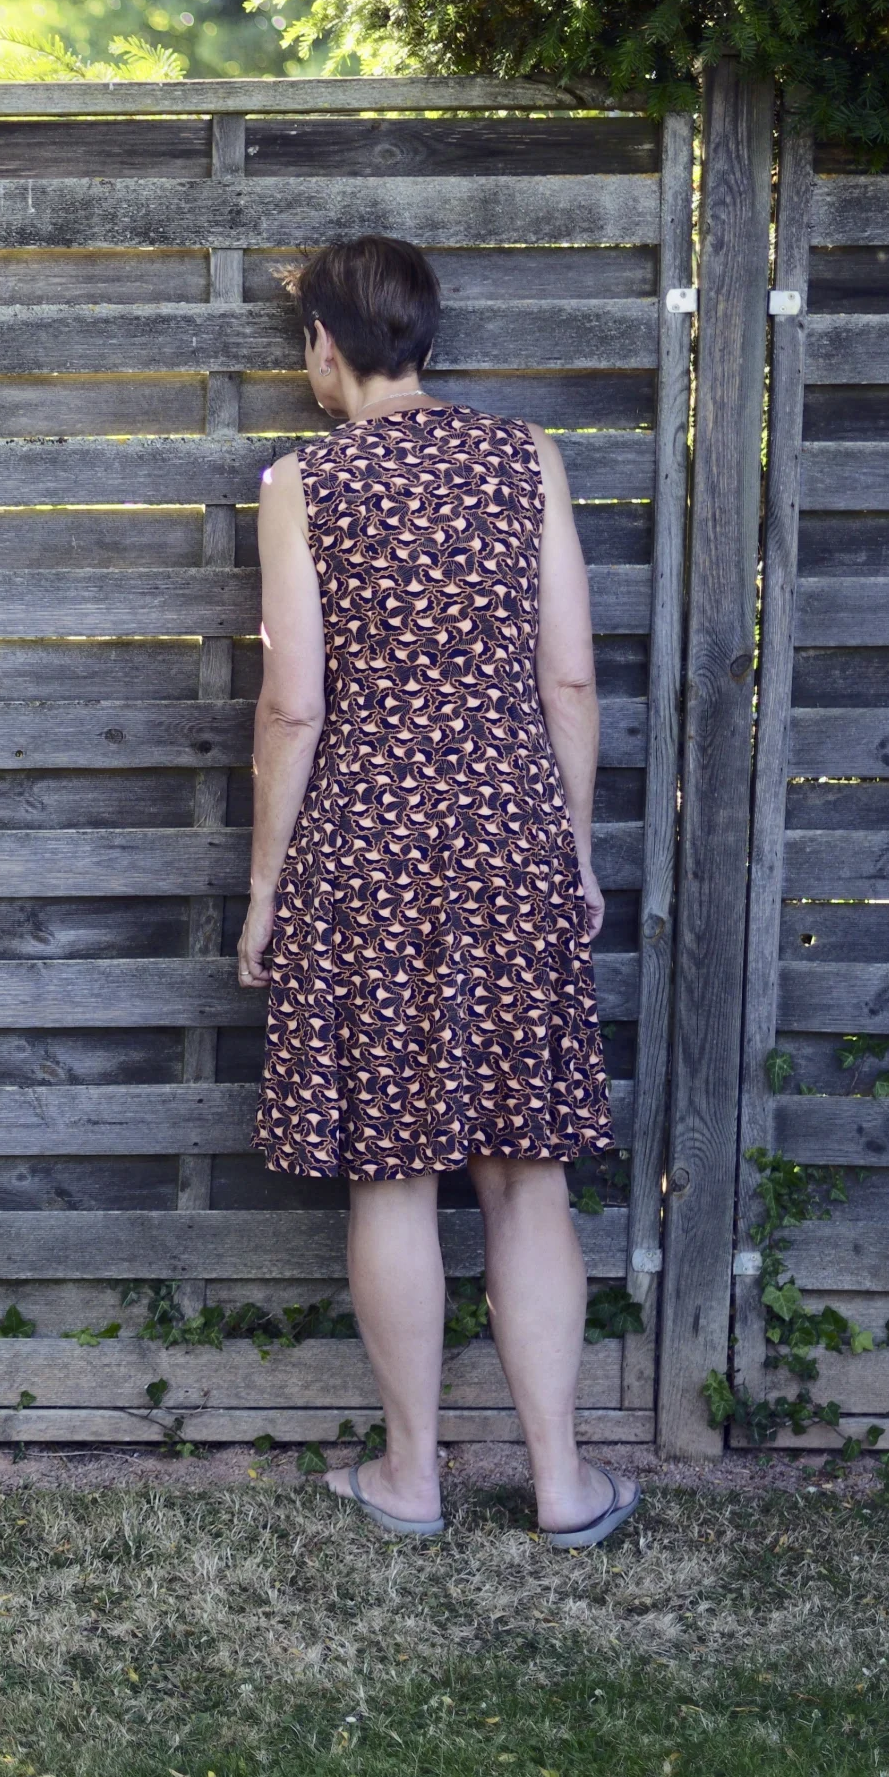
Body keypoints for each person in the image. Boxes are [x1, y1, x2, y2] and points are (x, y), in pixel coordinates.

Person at [234, 234, 636, 1549]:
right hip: (513, 836)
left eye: (307, 340)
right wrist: (574, 851)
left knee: (392, 1175)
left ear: (330, 347)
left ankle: (412, 1477)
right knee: (528, 1175)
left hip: (368, 848)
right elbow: (569, 678)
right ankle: (563, 1483)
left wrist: (265, 887)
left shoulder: (304, 484)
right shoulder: (527, 459)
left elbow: (294, 706)